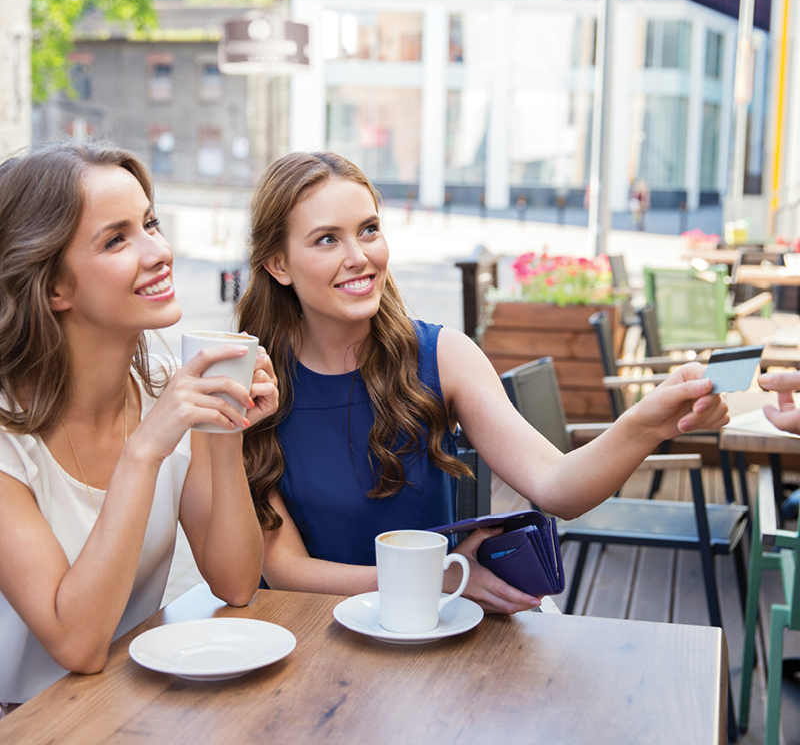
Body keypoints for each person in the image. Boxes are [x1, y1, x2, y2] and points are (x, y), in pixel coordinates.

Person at [236, 151, 729, 616]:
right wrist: (440, 577)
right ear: (278, 264)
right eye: (327, 239)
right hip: (308, 640)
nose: (359, 256)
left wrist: (645, 425)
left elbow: (556, 487)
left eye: (369, 230)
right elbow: (284, 571)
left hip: (432, 634)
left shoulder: (442, 355)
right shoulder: (253, 383)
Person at [0, 141, 277, 712]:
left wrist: (225, 427)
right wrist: (145, 449)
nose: (159, 252)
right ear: (55, 287)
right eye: (116, 238)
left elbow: (235, 582)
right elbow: (76, 644)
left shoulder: (163, 387)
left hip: (121, 706)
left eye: (151, 223)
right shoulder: (9, 436)